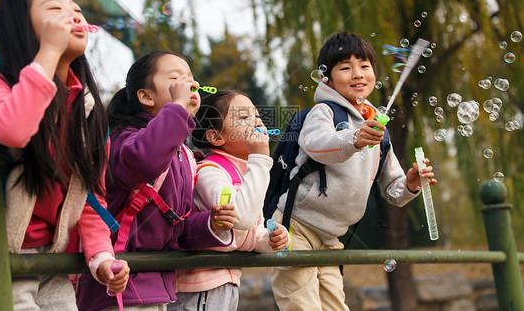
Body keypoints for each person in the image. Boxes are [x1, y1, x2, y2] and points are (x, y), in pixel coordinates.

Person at [0, 0, 129, 311]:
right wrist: (50, 52)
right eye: (55, 9)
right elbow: (12, 129)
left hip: (53, 265)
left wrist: (102, 257)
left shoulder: (86, 110)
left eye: (76, 9)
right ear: (22, 29)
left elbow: (88, 199)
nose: (73, 15)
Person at [270, 31, 438, 311]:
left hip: (333, 238)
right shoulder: (323, 113)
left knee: (336, 306)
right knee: (301, 305)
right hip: (296, 227)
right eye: (346, 67)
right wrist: (355, 139)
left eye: (364, 66)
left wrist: (409, 184)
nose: (357, 74)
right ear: (327, 78)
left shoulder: (378, 129)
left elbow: (392, 191)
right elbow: (316, 145)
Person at [76, 51, 236, 311]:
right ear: (146, 96)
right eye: (176, 78)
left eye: (191, 79)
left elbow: (178, 227)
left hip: (158, 289)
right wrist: (178, 109)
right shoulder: (123, 139)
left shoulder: (182, 153)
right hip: (117, 287)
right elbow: (145, 160)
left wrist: (210, 222)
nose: (189, 84)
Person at [170, 90, 289, 311]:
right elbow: (241, 218)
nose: (255, 122)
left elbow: (249, 232)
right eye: (244, 118)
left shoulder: (248, 172)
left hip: (226, 281)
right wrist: (261, 158)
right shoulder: (209, 171)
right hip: (200, 284)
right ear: (216, 137)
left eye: (256, 116)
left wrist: (270, 239)